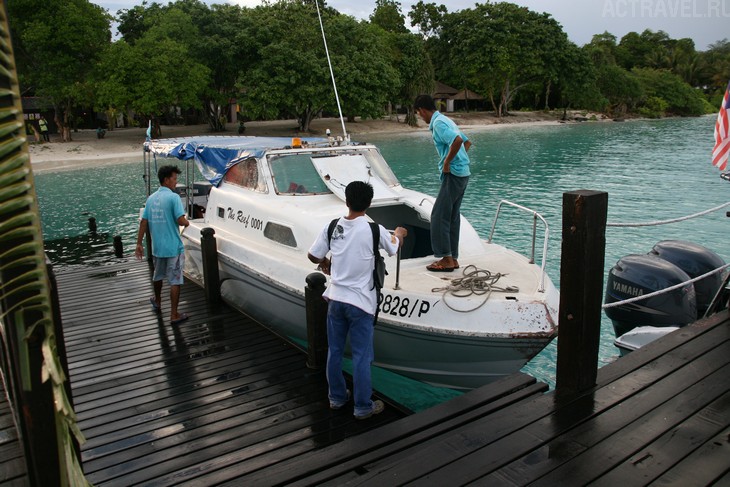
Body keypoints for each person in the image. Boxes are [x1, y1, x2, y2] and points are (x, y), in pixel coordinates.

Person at [308, 181, 407, 420]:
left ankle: (337, 398)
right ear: (369, 203)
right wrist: (400, 233)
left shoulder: (332, 226)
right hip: (361, 303)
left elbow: (313, 255)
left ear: (346, 200)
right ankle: (363, 407)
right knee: (363, 356)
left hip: (335, 300)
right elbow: (394, 247)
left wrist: (325, 263)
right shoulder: (374, 229)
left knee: (335, 351)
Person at [414, 94, 472, 272]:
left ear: (422, 111)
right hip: (463, 173)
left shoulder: (438, 124)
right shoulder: (446, 120)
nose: (420, 117)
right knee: (452, 216)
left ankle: (445, 258)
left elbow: (458, 141)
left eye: (418, 114)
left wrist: (448, 163)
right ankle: (452, 258)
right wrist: (459, 160)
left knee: (438, 216)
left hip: (454, 174)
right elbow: (467, 142)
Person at [135, 165, 190, 324]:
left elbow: (144, 222)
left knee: (157, 276)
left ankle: (158, 301)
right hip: (173, 248)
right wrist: (187, 223)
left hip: (157, 248)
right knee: (175, 281)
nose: (176, 181)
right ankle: (174, 315)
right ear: (166, 180)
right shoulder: (173, 198)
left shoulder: (151, 199)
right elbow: (180, 219)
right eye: (174, 178)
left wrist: (139, 243)